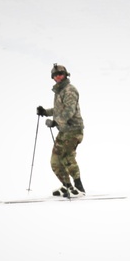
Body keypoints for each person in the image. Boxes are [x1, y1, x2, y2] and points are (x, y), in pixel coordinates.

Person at [36, 63, 85, 196]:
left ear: (65, 75)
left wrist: (55, 122)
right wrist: (45, 112)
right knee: (55, 161)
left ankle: (79, 188)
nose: (58, 77)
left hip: (74, 130)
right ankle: (67, 186)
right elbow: (58, 110)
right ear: (53, 77)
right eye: (55, 75)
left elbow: (69, 111)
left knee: (67, 157)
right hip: (64, 130)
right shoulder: (59, 91)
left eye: (60, 74)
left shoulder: (69, 90)